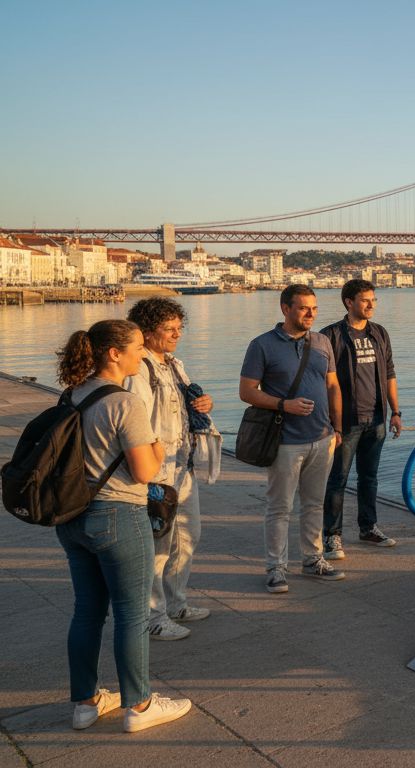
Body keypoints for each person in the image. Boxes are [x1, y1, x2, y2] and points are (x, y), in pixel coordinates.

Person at [54, 319, 193, 733]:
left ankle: (85, 703)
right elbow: (147, 470)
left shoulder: (71, 394)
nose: (141, 354)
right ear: (114, 354)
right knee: (132, 616)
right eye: (135, 348)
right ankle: (140, 705)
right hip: (118, 516)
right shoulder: (125, 402)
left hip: (73, 517)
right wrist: (157, 444)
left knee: (86, 612)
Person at [240, 284, 345, 594]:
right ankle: (275, 568)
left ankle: (313, 560)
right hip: (285, 441)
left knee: (314, 505)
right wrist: (284, 405)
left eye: (314, 307)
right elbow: (247, 392)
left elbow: (333, 387)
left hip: (322, 437)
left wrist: (337, 428)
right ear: (285, 309)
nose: (310, 313)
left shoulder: (323, 342)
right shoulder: (262, 345)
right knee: (279, 507)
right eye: (303, 308)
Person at [125, 298, 214, 642]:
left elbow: (186, 406)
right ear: (147, 332)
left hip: (183, 465)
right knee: (157, 548)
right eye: (169, 329)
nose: (177, 334)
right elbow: (136, 420)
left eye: (180, 327)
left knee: (188, 537)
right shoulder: (140, 369)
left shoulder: (174, 364)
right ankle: (153, 617)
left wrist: (205, 404)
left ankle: (177, 602)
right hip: (157, 472)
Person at [320, 279, 402, 561]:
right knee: (337, 479)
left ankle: (368, 528)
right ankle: (331, 536)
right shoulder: (330, 335)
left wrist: (396, 412)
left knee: (369, 478)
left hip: (377, 419)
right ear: (349, 302)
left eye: (373, 300)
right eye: (365, 300)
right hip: (346, 422)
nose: (371, 305)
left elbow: (390, 373)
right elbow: (321, 382)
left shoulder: (379, 333)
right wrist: (332, 423)